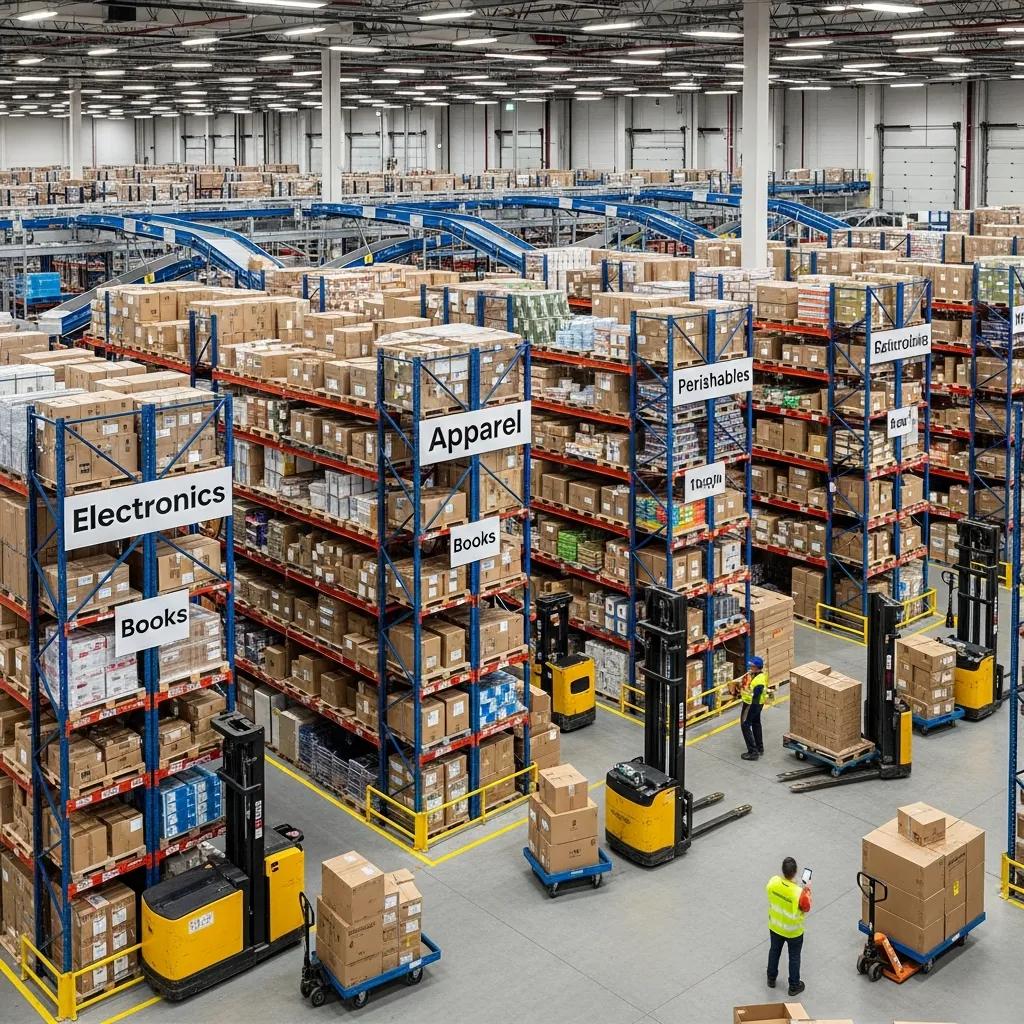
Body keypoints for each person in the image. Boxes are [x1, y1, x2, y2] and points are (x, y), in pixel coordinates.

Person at [766, 856, 812, 996]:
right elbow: (806, 907)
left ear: (782, 871)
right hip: (793, 931)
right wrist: (807, 890)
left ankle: (771, 978)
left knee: (774, 951)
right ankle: (793, 986)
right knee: (794, 957)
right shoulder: (799, 893)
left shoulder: (773, 882)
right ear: (796, 871)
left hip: (775, 926)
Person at [740, 655, 767, 761]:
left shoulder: (758, 682)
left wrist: (750, 713)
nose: (750, 668)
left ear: (756, 667)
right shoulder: (758, 675)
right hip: (757, 704)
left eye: (751, 666)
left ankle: (753, 752)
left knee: (745, 725)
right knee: (756, 724)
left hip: (752, 705)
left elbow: (755, 697)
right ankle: (760, 748)